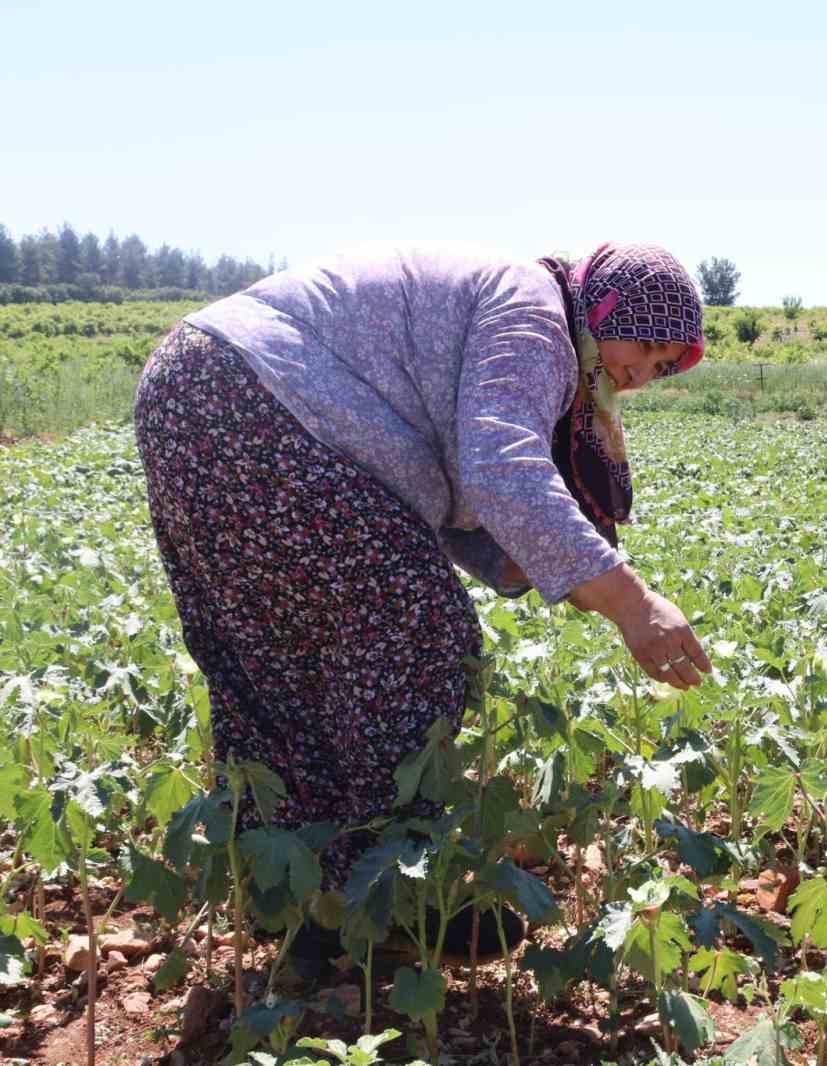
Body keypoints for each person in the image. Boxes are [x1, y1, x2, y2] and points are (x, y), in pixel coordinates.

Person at [133, 241, 713, 974]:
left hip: (191, 388)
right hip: (261, 395)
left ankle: (301, 906)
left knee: (276, 662)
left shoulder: (520, 311)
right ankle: (401, 890)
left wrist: (542, 561)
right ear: (606, 310)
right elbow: (500, 466)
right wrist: (632, 601)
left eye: (662, 367)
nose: (639, 373)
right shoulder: (539, 317)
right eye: (644, 345)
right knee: (417, 635)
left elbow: (438, 493)